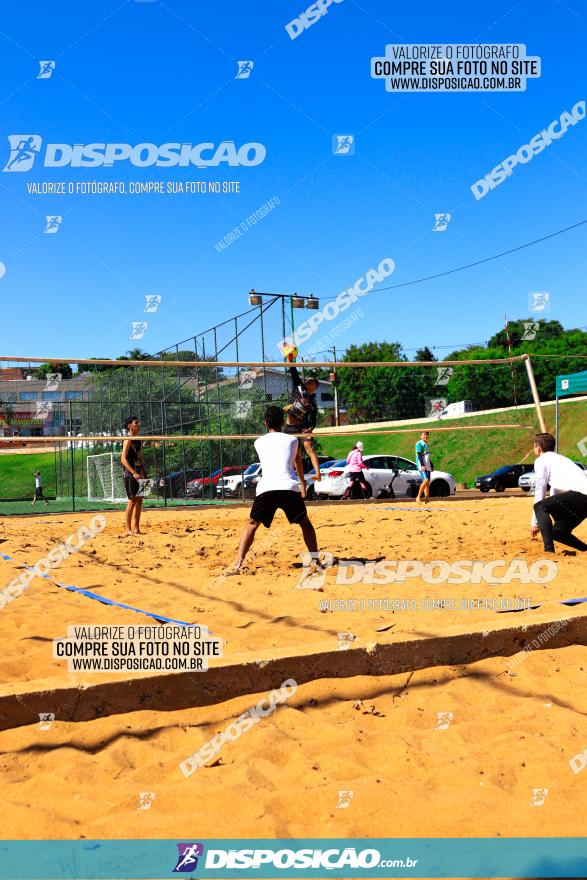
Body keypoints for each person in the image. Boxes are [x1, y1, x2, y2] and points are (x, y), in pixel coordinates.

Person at [233, 405, 320, 572]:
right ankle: (315, 560)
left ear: (266, 422)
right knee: (305, 523)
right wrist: (303, 484)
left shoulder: (258, 442)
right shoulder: (293, 440)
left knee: (252, 524)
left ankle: (239, 561)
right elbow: (298, 463)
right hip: (289, 487)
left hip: (268, 488)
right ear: (282, 422)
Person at [531, 432, 587, 553]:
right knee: (558, 532)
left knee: (539, 506)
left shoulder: (541, 460)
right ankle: (585, 550)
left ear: (539, 447)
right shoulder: (561, 459)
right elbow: (555, 490)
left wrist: (535, 522)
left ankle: (549, 551)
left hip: (580, 495)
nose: (534, 448)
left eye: (534, 446)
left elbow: (540, 491)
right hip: (582, 499)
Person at [283, 358, 322, 498]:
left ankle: (318, 473)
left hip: (303, 427)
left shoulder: (312, 401)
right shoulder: (298, 386)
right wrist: (290, 359)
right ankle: (303, 485)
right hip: (290, 427)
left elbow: (314, 418)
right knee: (297, 458)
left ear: (314, 387)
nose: (308, 381)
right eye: (308, 380)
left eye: (311, 381)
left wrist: (310, 429)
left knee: (309, 447)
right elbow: (294, 371)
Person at [121, 415, 146, 535]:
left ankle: (136, 528)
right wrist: (133, 472)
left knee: (140, 500)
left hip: (139, 471)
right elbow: (123, 459)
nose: (139, 425)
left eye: (139, 423)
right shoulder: (128, 439)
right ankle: (127, 529)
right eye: (136, 423)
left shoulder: (139, 439)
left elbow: (139, 457)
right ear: (129, 426)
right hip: (131, 473)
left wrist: (142, 471)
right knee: (132, 500)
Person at [415, 430, 433, 503]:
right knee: (426, 480)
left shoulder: (426, 445)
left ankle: (427, 498)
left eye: (427, 435)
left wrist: (431, 464)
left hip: (427, 464)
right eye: (424, 434)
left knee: (427, 482)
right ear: (421, 436)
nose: (426, 436)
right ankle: (418, 496)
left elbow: (427, 456)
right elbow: (419, 455)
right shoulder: (419, 443)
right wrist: (422, 465)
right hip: (422, 464)